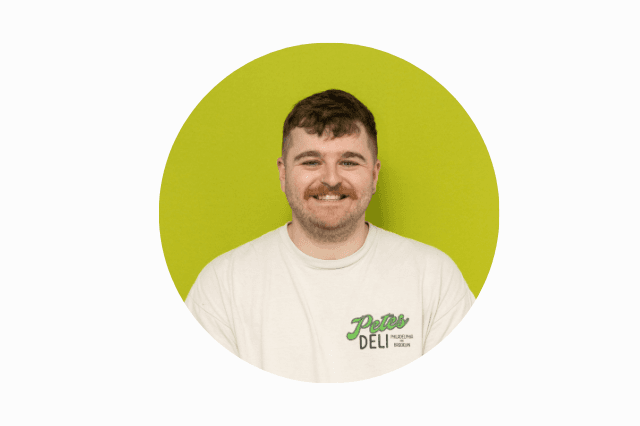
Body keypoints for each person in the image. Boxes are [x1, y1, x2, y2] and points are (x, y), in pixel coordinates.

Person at [185, 89, 475, 383]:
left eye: (349, 162)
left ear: (374, 175)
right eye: (311, 161)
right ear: (283, 174)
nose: (331, 179)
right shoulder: (222, 286)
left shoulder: (434, 278)